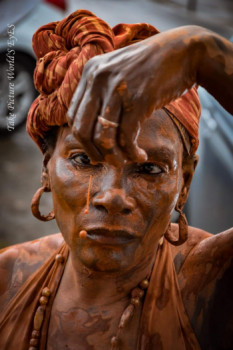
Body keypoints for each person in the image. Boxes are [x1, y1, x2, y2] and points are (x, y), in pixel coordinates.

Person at [0, 9, 232, 350]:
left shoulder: (213, 283)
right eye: (84, 160)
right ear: (48, 165)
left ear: (184, 180)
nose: (112, 196)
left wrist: (203, 52)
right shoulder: (8, 279)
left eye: (149, 169)